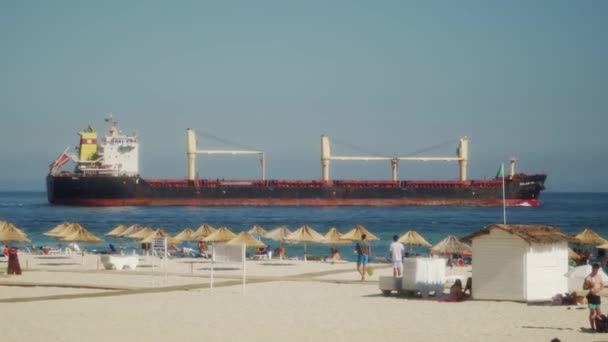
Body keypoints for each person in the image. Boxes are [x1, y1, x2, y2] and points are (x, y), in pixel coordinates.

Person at [584, 263, 604, 331]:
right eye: (595, 269)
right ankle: (592, 327)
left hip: (597, 296)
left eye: (597, 269)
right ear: (592, 269)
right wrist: (589, 286)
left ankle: (599, 327)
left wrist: (598, 290)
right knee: (593, 312)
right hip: (591, 296)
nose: (596, 271)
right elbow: (584, 287)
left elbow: (602, 285)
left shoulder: (599, 276)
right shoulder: (588, 277)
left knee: (599, 312)